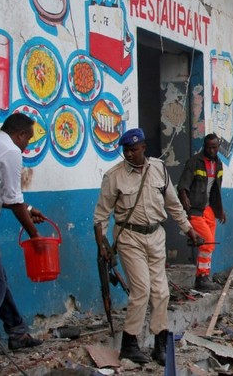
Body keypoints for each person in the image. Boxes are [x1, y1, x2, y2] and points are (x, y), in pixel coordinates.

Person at [93, 128, 201, 366]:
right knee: (141, 290)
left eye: (133, 150)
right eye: (125, 151)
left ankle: (160, 344)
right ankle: (129, 344)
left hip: (156, 237)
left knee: (161, 292)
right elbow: (101, 216)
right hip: (129, 237)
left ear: (143, 148)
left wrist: (188, 228)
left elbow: (173, 204)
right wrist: (101, 245)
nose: (129, 154)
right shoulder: (114, 176)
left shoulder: (159, 169)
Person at [0, 113, 46, 372]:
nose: (27, 146)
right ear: (19, 134)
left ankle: (17, 332)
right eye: (27, 140)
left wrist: (29, 208)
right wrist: (35, 236)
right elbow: (14, 199)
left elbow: (6, 197)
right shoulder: (10, 151)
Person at [178, 133, 226, 291]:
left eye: (215, 147)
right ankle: (202, 278)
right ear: (204, 147)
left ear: (218, 147)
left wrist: (220, 210)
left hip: (209, 209)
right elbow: (183, 185)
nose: (212, 151)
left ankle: (205, 275)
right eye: (209, 147)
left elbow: (216, 189)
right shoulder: (194, 162)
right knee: (207, 243)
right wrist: (185, 200)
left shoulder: (218, 164)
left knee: (210, 244)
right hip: (196, 209)